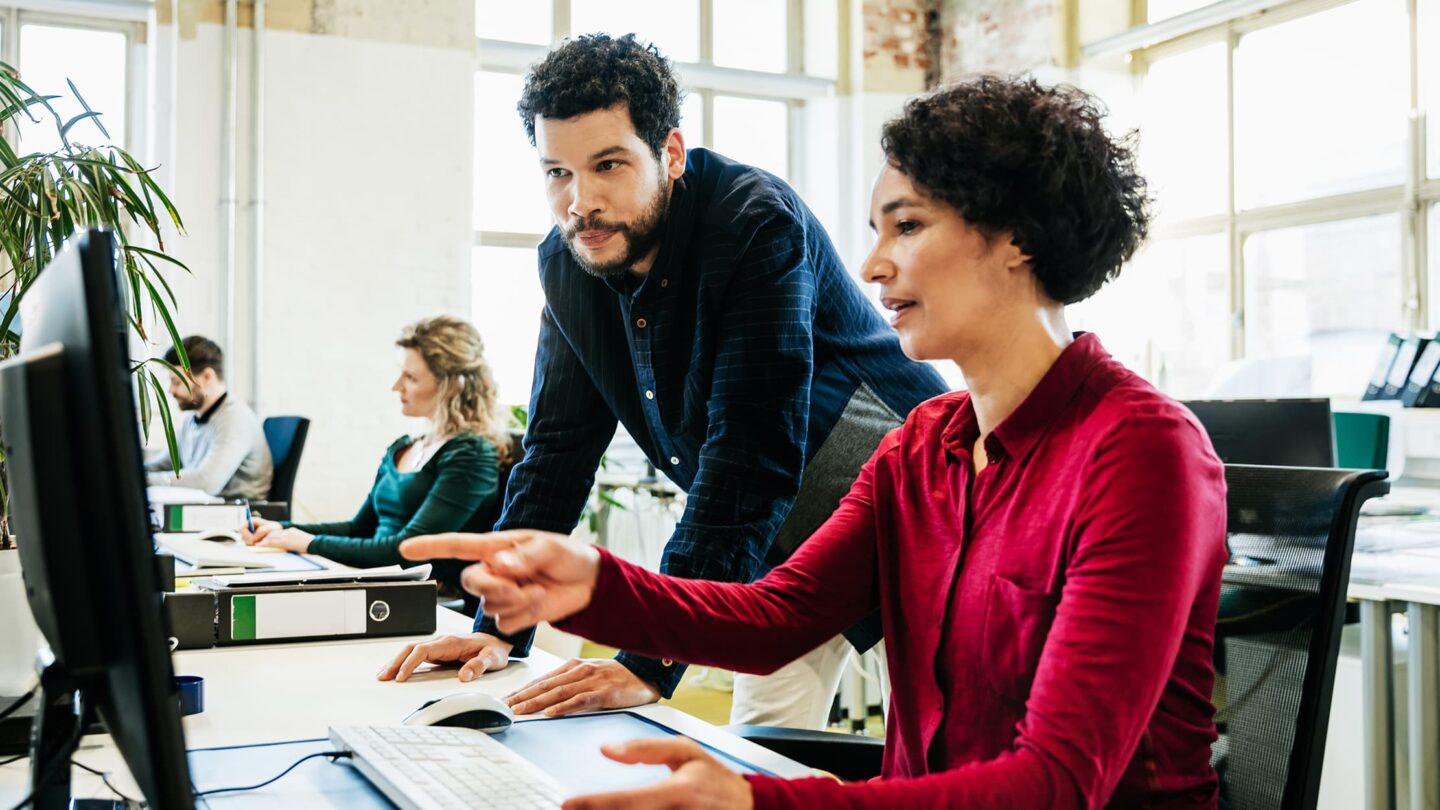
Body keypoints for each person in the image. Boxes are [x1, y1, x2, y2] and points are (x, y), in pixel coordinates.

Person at [401, 76, 1229, 809]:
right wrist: (590, 583)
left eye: (906, 227)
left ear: (1019, 237)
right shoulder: (922, 446)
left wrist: (761, 801)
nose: (871, 267)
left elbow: (1055, 784)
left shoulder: (1140, 452)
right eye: (876, 229)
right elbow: (776, 617)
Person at [377, 33, 948, 727]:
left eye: (608, 165)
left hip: (904, 510)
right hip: (767, 545)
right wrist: (498, 628)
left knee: (946, 737)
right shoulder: (571, 263)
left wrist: (648, 659)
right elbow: (556, 451)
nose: (579, 202)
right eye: (557, 172)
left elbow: (751, 449)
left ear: (670, 154)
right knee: (763, 748)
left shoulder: (751, 220)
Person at [242, 316, 508, 591]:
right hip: (377, 580)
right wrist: (282, 530)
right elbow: (359, 528)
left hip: (421, 594)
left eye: (411, 377)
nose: (396, 386)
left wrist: (309, 542)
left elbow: (407, 551)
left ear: (450, 386)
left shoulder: (471, 455)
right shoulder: (404, 447)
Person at [146, 335, 273, 501]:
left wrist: (145, 481)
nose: (170, 391)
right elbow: (165, 464)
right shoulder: (192, 421)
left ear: (207, 377)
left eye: (176, 382)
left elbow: (206, 483)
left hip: (235, 512)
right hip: (206, 508)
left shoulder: (235, 419)